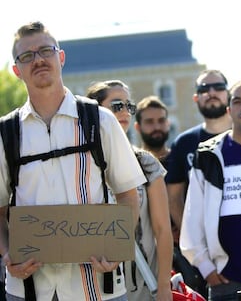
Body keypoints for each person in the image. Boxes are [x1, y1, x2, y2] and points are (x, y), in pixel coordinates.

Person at [0, 21, 145, 301]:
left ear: (61, 57)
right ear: (17, 70)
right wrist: (7, 253)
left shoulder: (100, 120)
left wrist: (118, 246)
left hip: (99, 287)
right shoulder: (6, 133)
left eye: (46, 51)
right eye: (27, 56)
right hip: (28, 289)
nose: (39, 60)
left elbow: (128, 193)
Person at [87, 80, 173, 301]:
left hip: (141, 285)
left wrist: (164, 286)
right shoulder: (78, 164)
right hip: (89, 284)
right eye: (117, 105)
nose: (125, 112)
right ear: (95, 109)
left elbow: (163, 230)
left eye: (129, 106)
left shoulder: (145, 162)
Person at [180, 79, 241, 301]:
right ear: (229, 109)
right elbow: (192, 217)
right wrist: (207, 269)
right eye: (237, 101)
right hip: (225, 281)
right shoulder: (208, 155)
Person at [166, 69, 232, 296]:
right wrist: (194, 240)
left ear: (228, 93)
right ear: (196, 98)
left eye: (218, 87)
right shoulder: (184, 143)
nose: (211, 93)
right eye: (204, 89)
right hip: (203, 257)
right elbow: (174, 196)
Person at [134, 95, 171, 169]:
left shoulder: (180, 160)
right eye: (149, 122)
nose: (157, 127)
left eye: (161, 120)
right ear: (138, 127)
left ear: (168, 123)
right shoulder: (133, 164)